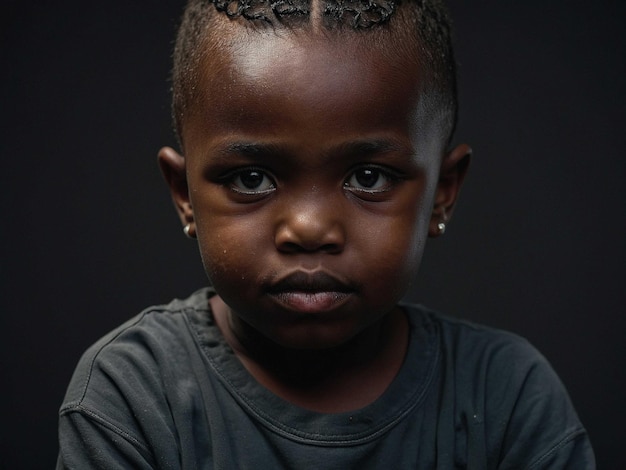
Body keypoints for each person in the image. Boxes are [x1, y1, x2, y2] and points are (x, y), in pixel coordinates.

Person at [56, 0, 595, 468]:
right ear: (183, 193)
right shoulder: (132, 395)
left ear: (442, 191)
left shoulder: (507, 395)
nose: (309, 229)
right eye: (251, 179)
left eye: (368, 177)